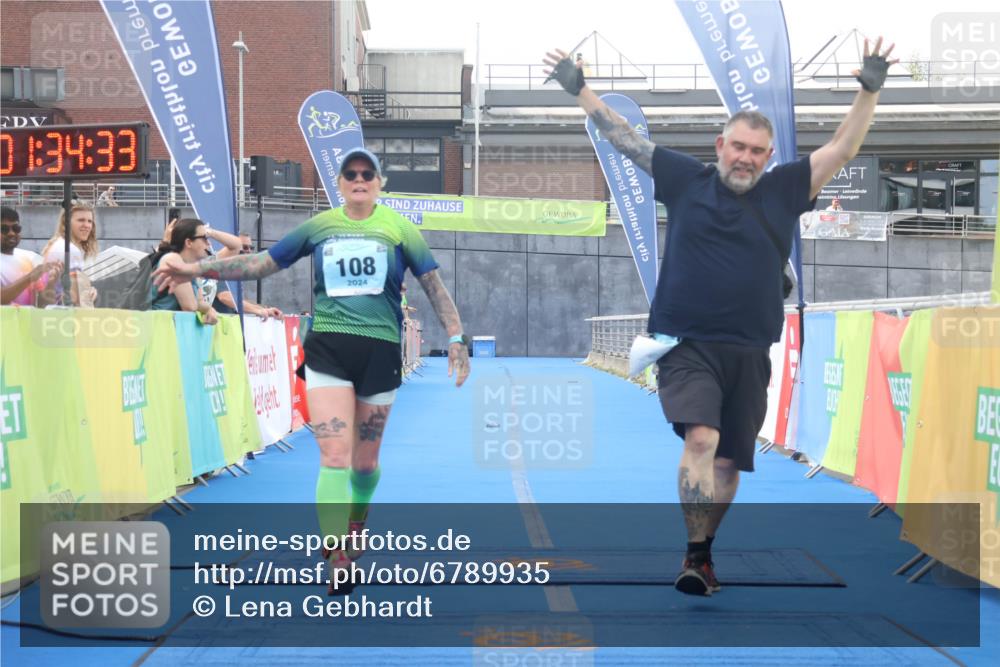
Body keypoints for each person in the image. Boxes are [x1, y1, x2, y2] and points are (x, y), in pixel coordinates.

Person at [544, 37, 897, 596]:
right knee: (702, 440)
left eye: (757, 150)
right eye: (738, 147)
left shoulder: (786, 190)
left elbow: (842, 151)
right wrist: (579, 89)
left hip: (752, 351)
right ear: (720, 145)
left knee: (731, 463)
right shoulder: (687, 179)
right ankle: (694, 552)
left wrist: (869, 92)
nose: (746, 158)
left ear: (769, 155)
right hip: (686, 345)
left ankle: (703, 553)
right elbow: (625, 139)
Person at [153, 147, 471, 592]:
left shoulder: (400, 230)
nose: (359, 179)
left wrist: (456, 338)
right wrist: (194, 269)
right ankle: (338, 556)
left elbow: (433, 286)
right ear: (340, 184)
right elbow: (263, 261)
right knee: (335, 456)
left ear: (380, 183)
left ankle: (356, 522)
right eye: (350, 174)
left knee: (365, 463)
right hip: (328, 351)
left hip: (379, 353)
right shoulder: (319, 226)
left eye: (368, 174)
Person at [147, 218, 219, 324]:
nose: (209, 244)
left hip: (161, 328)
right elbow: (190, 306)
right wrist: (208, 309)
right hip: (151, 328)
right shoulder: (172, 260)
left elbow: (199, 302)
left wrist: (209, 309)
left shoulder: (190, 267)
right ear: (189, 242)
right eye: (204, 238)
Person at [39, 201, 100, 307]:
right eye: (81, 220)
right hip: (63, 316)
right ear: (66, 222)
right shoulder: (70, 250)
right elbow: (78, 299)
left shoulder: (57, 244)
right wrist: (91, 294)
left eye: (90, 221)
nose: (87, 225)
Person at [1, 206, 61, 306]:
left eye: (16, 228)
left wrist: (51, 283)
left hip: (26, 321)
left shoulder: (28, 258)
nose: (11, 233)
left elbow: (43, 305)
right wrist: (29, 277)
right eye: (4, 229)